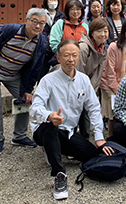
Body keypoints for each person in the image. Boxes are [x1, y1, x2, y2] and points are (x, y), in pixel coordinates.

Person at [30, 40, 114, 200]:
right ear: (59, 58)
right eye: (66, 55)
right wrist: (49, 115)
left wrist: (99, 138)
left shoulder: (83, 80)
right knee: (51, 126)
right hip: (44, 129)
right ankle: (59, 174)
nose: (71, 59)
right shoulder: (48, 80)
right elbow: (35, 107)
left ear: (78, 58)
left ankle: (54, 148)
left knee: (92, 155)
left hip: (67, 132)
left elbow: (94, 108)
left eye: (74, 55)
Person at [0, 8, 49, 156]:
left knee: (25, 100)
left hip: (14, 74)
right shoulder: (9, 30)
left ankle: (19, 136)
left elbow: (36, 67)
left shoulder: (41, 41)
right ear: (27, 20)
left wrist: (28, 89)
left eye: (42, 23)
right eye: (35, 22)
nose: (38, 26)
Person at [40, 0, 65, 78]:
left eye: (55, 0)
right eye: (50, 0)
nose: (53, 2)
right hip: (44, 47)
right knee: (42, 71)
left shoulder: (61, 15)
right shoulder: (41, 13)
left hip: (55, 47)